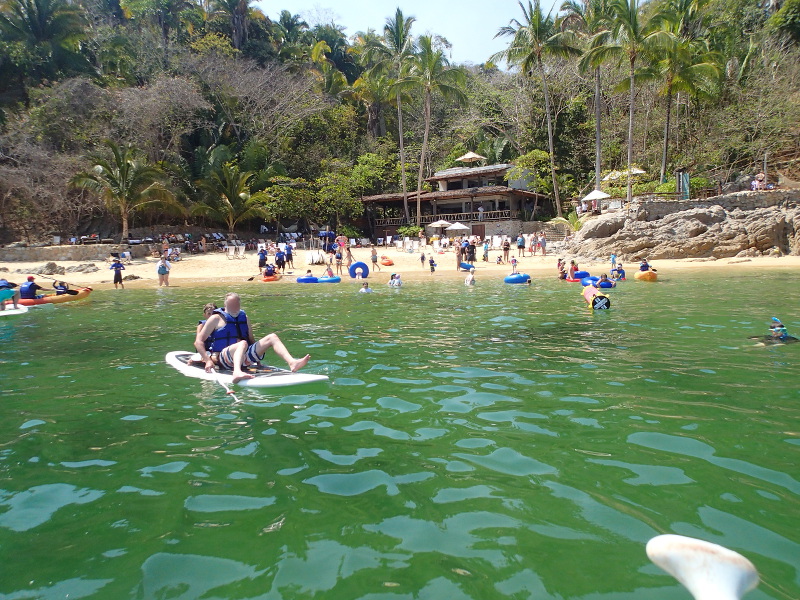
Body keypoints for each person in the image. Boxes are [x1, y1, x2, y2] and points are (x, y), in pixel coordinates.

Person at [194, 292, 310, 383]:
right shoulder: (215, 319)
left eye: (237, 305)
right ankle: (237, 373)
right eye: (231, 305)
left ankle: (292, 363)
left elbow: (251, 340)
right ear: (225, 305)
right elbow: (198, 342)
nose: (235, 308)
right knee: (242, 343)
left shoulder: (244, 317)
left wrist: (257, 361)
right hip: (223, 359)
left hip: (244, 357)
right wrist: (208, 360)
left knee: (272, 337)